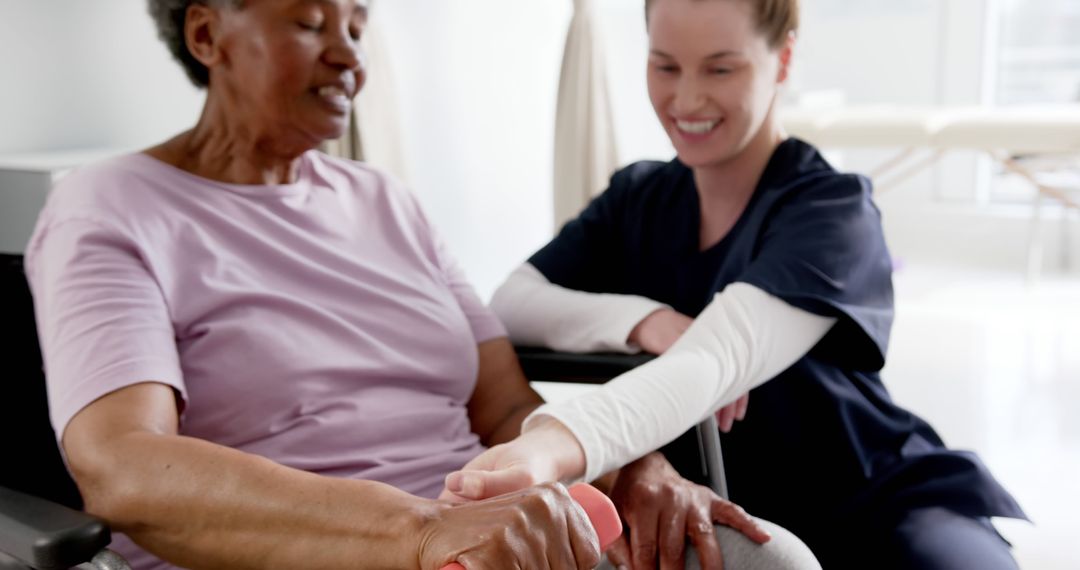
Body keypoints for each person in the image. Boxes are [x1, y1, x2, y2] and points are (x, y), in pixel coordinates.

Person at [25, 0, 794, 568]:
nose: (349, 56)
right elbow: (120, 467)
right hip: (321, 550)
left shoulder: (385, 201)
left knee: (767, 559)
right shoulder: (112, 205)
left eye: (357, 28)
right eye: (310, 24)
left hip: (493, 531)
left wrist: (635, 468)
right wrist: (417, 532)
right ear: (206, 34)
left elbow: (508, 408)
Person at [443, 0, 1029, 568]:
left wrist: (545, 448)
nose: (687, 98)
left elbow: (716, 360)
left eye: (721, 68)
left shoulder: (831, 210)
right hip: (734, 516)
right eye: (665, 65)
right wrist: (644, 322)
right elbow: (513, 303)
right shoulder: (637, 198)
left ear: (784, 59)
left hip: (878, 504)